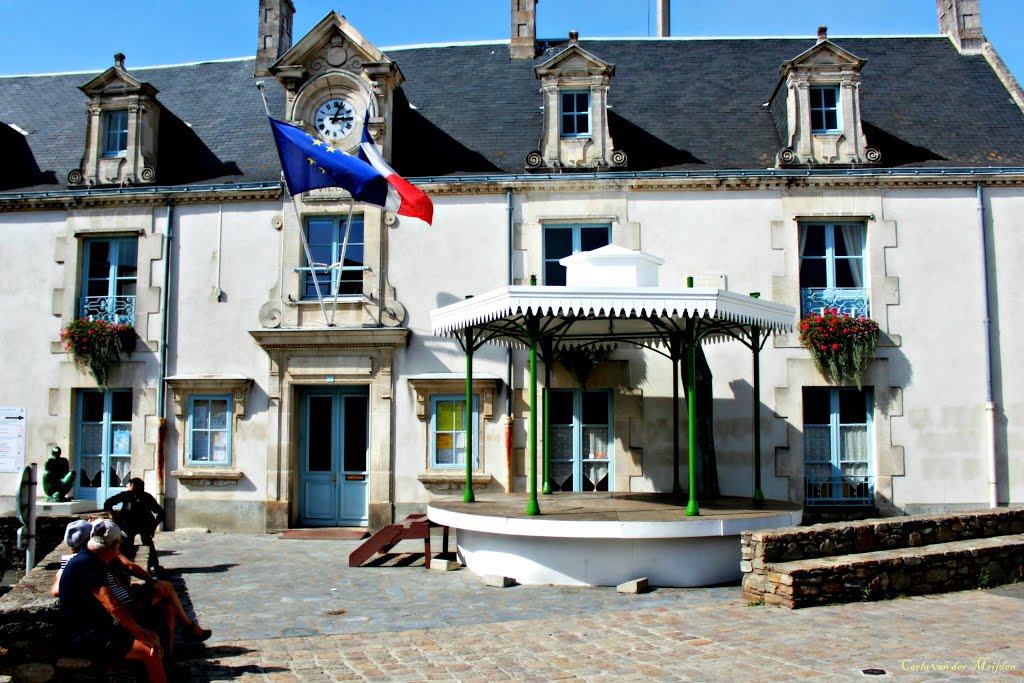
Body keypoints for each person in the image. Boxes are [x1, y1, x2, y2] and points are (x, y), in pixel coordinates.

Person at [52, 518, 212, 658]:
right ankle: (186, 632)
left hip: (119, 606)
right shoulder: (93, 559)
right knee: (167, 591)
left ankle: (173, 651)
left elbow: (56, 589)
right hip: (121, 610)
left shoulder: (73, 561)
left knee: (168, 607)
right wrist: (151, 580)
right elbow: (123, 578)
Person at [57, 520, 167, 683]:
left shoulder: (88, 558)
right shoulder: (89, 564)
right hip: (84, 636)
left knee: (155, 631)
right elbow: (112, 605)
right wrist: (140, 633)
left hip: (92, 629)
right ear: (114, 546)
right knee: (149, 651)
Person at [104, 478, 165, 571]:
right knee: (145, 543)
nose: (128, 486)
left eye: (129, 484)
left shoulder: (128, 495)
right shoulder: (145, 496)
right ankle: (154, 565)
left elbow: (108, 503)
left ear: (133, 486)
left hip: (133, 524)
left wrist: (113, 517)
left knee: (132, 545)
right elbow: (160, 513)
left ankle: (127, 565)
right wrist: (154, 525)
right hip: (139, 524)